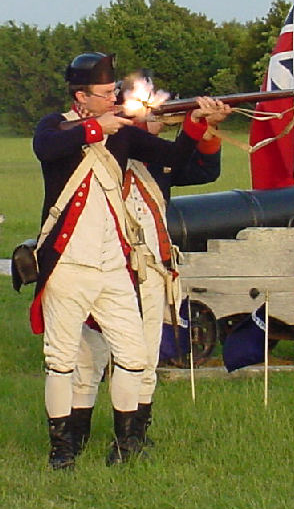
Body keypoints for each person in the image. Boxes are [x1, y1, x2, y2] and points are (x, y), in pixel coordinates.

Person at [31, 52, 230, 469]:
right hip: (69, 264)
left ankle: (127, 445)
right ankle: (62, 449)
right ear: (81, 96)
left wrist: (200, 122)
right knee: (63, 360)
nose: (114, 98)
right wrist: (92, 128)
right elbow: (46, 146)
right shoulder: (56, 125)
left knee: (135, 356)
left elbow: (176, 157)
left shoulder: (122, 136)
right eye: (106, 93)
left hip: (114, 267)